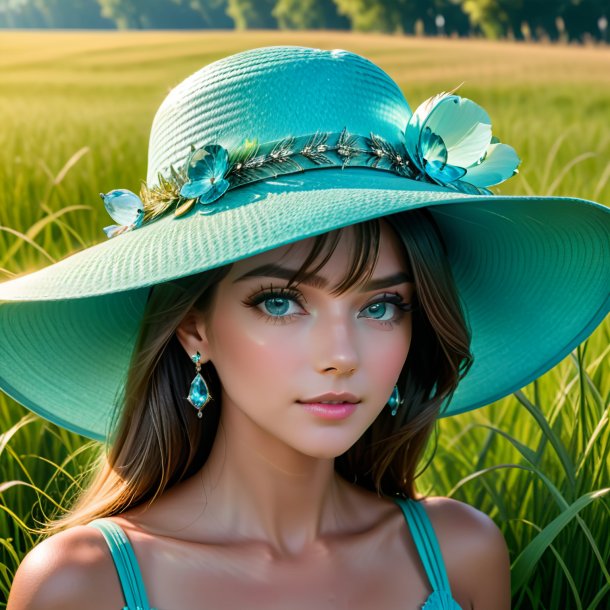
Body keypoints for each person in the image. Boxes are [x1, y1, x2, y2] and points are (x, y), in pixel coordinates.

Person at [2, 45, 608, 610]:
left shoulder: (460, 556)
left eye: (381, 306)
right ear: (193, 328)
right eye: (280, 302)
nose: (342, 356)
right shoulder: (81, 585)